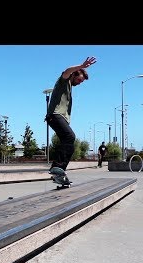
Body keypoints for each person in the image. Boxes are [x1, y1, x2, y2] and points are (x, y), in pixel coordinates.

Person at [45, 56, 96, 185]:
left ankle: (59, 173)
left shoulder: (70, 87)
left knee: (70, 145)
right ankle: (57, 169)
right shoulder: (64, 81)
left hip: (60, 118)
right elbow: (67, 70)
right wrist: (81, 66)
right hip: (55, 115)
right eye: (79, 80)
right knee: (70, 137)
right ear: (74, 75)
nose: (79, 83)